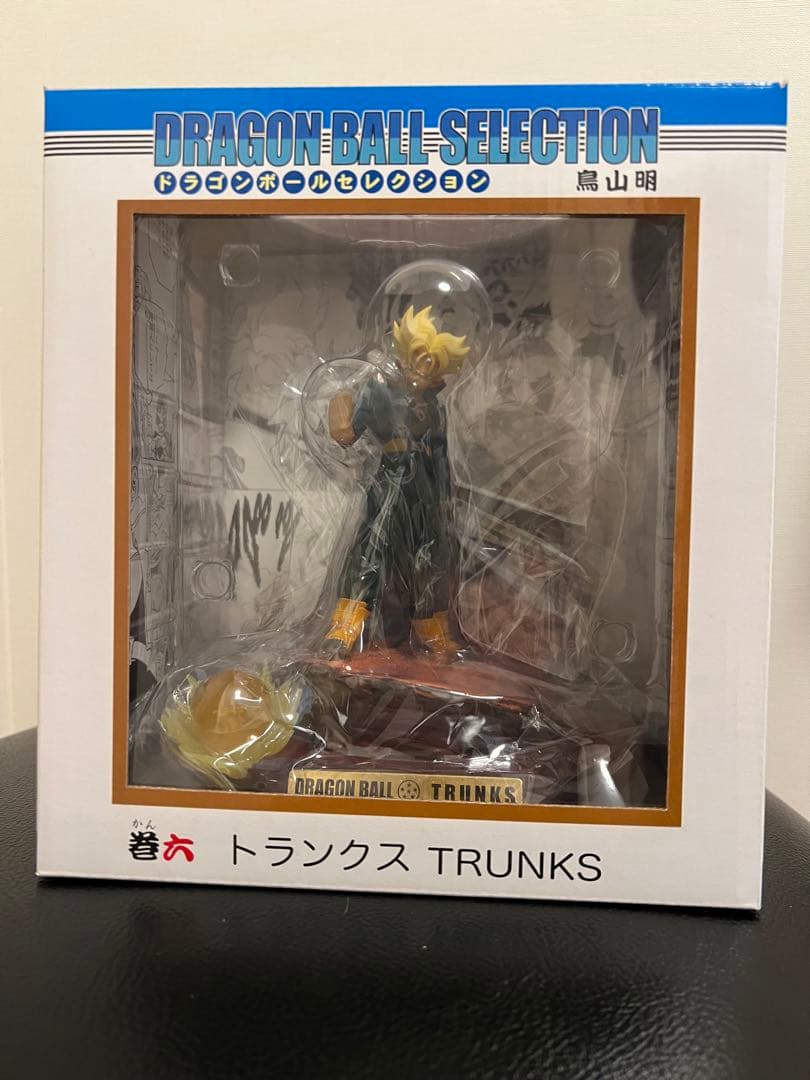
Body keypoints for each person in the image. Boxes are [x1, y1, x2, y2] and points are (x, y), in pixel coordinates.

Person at [324, 304, 469, 658]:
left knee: (431, 554)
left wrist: (445, 498)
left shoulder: (436, 407)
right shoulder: (379, 391)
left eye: (432, 361)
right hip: (392, 478)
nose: (424, 366)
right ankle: (346, 626)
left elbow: (441, 454)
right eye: (420, 356)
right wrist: (340, 413)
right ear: (405, 353)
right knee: (372, 546)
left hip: (426, 488)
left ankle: (432, 629)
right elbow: (349, 434)